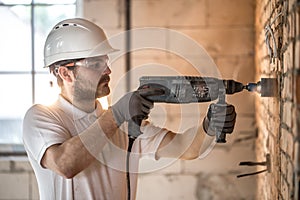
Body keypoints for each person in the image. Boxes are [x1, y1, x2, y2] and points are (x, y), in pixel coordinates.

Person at [23, 18, 236, 200]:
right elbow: (65, 164)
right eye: (96, 64)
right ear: (65, 73)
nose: (108, 70)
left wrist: (210, 125)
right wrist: (117, 114)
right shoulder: (41, 117)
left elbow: (187, 148)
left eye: (105, 61)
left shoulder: (124, 123)